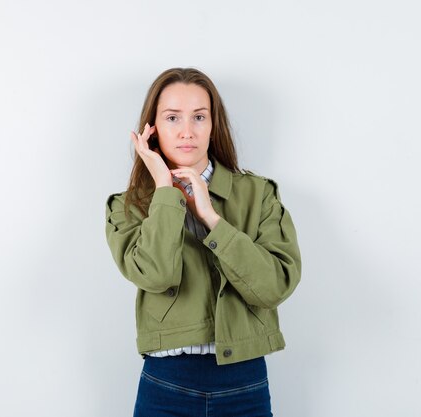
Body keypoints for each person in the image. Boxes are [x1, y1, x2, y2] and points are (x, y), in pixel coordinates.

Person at [104, 67, 301, 417]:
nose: (186, 131)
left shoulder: (259, 194)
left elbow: (274, 286)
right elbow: (156, 275)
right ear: (152, 129)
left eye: (199, 117)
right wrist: (165, 191)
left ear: (214, 125)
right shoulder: (127, 206)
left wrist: (212, 218)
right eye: (172, 118)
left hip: (245, 381)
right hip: (166, 383)